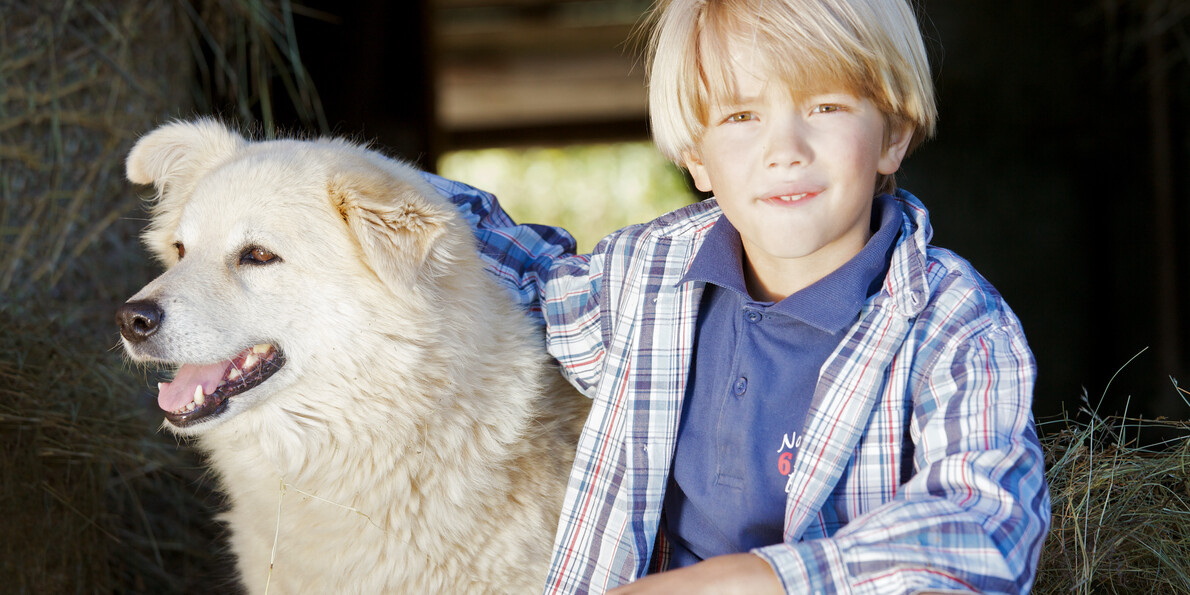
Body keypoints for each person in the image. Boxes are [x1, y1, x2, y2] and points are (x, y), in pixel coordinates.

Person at [424, 0, 1050, 592]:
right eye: (741, 116)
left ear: (891, 135)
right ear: (697, 159)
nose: (785, 151)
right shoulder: (649, 278)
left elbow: (986, 529)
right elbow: (523, 282)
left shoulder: (955, 325)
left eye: (825, 107)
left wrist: (758, 582)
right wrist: (345, 188)